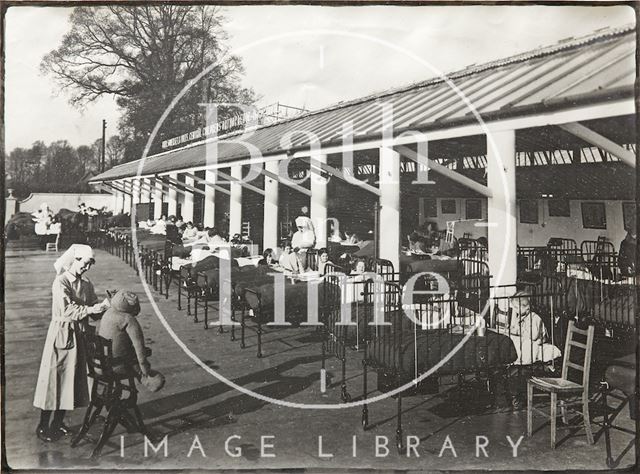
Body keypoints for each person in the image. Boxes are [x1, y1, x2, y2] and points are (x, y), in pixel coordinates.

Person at [33, 244, 108, 442]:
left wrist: (105, 307)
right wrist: (92, 309)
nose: (87, 267)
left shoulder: (86, 283)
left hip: (80, 335)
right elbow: (68, 311)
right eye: (85, 263)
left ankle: (58, 424)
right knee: (53, 380)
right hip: (62, 334)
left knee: (70, 382)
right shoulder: (61, 282)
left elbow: (92, 308)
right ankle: (42, 426)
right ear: (75, 260)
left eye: (91, 264)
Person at [98, 290, 152, 378]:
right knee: (141, 360)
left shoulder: (108, 312)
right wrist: (145, 370)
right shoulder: (128, 319)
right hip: (116, 366)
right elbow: (139, 348)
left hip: (99, 364)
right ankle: (145, 379)